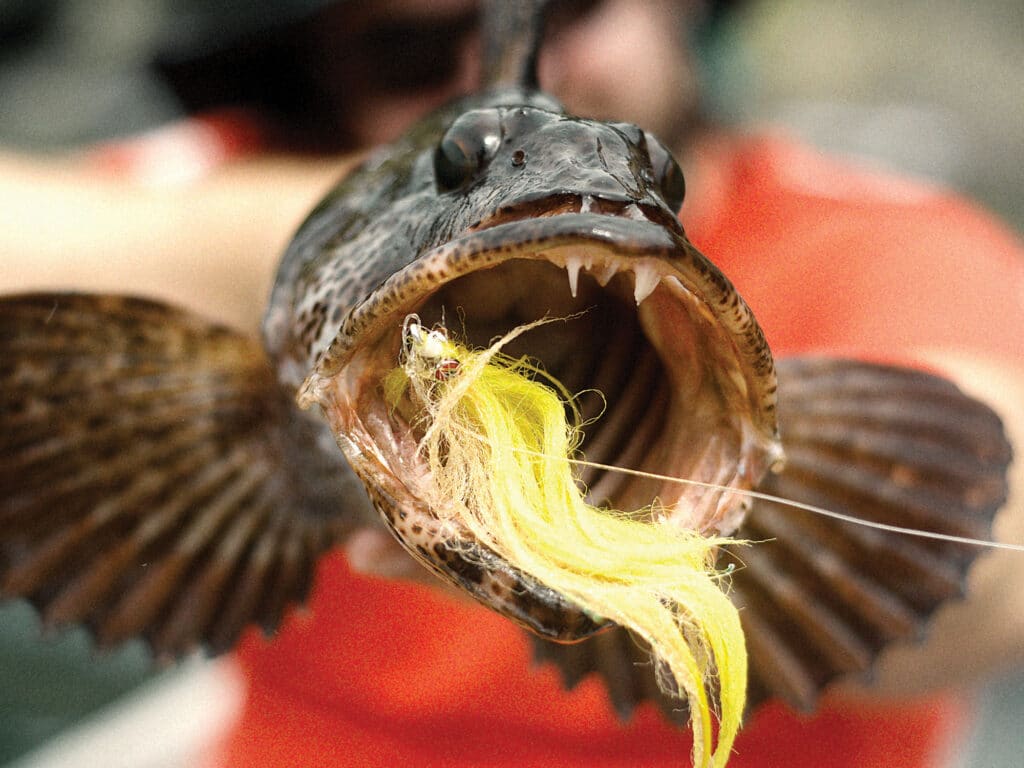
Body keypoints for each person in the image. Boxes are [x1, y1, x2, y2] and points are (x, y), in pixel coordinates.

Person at [2, 1, 1022, 766]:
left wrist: (683, 508)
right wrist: (343, 237)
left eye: (575, 9)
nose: (472, 66)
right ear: (323, 72)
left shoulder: (884, 237)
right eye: (404, 51)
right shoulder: (251, 167)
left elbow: (998, 564)